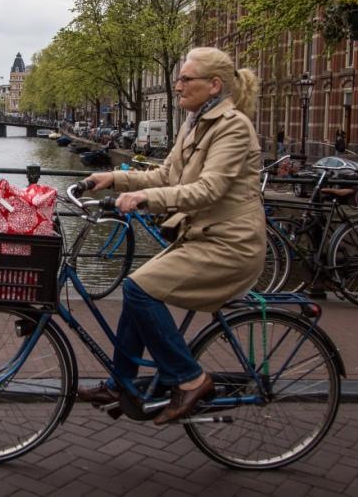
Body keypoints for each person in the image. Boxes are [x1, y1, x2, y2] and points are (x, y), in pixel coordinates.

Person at [76, 46, 266, 426]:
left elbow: (208, 190)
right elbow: (167, 176)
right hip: (203, 236)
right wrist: (116, 178)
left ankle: (190, 379)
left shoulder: (233, 126)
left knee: (139, 291)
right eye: (178, 78)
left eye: (185, 78)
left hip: (231, 245)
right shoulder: (194, 123)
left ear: (214, 85)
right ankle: (122, 383)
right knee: (135, 284)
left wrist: (145, 198)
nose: (177, 85)